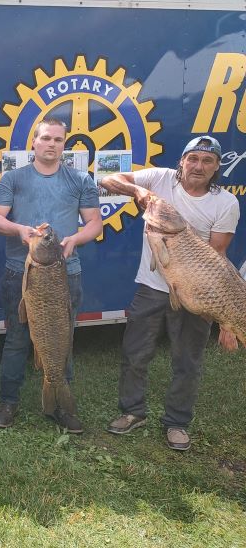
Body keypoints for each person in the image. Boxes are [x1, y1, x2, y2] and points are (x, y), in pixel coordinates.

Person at [101, 135, 239, 451]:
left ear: (217, 167)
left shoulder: (226, 203)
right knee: (135, 353)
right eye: (193, 159)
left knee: (187, 361)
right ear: (182, 161)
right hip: (151, 288)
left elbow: (216, 255)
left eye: (207, 161)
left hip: (197, 293)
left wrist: (221, 315)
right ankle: (132, 412)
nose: (198, 166)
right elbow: (109, 179)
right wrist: (138, 191)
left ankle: (177, 422)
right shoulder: (161, 179)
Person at [0, 118, 101, 434]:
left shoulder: (80, 179)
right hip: (20, 274)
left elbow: (95, 223)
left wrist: (75, 239)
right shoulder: (13, 178)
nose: (51, 144)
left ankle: (61, 405)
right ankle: (8, 401)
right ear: (34, 142)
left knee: (62, 340)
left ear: (64, 145)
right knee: (16, 339)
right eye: (46, 138)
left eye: (58, 140)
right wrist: (18, 230)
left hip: (66, 275)